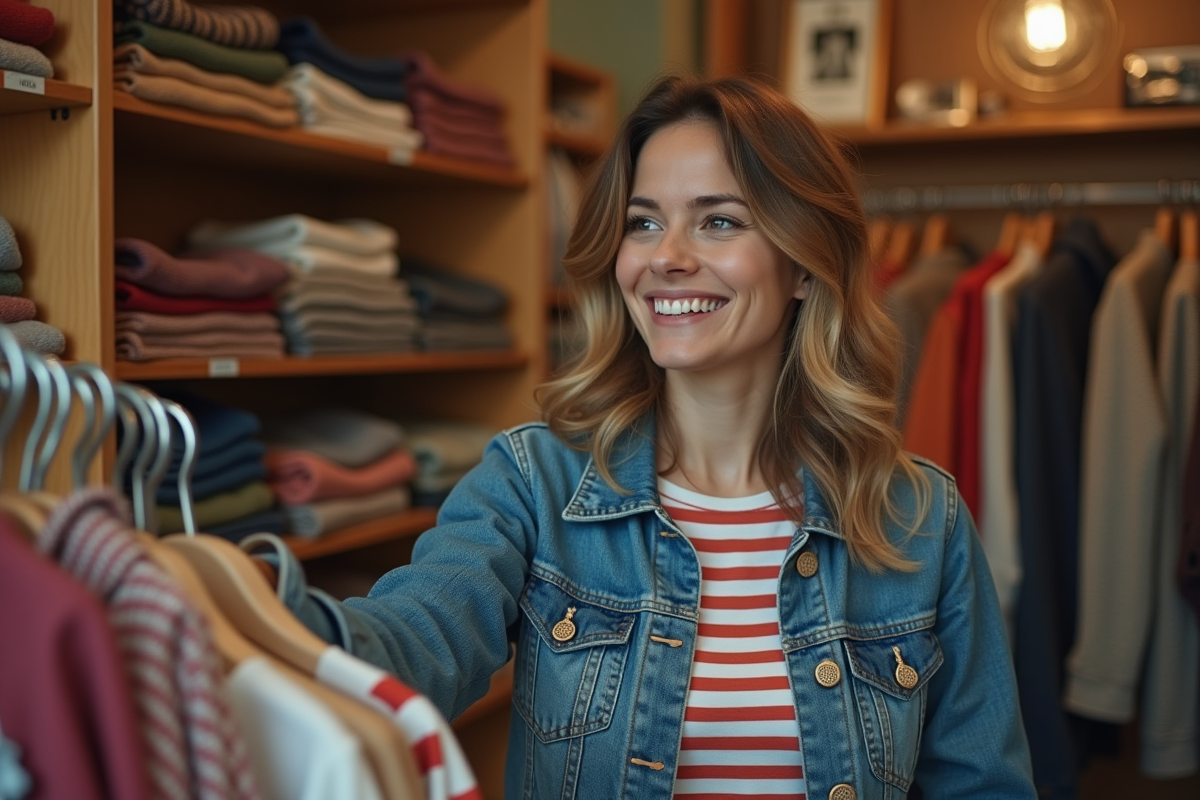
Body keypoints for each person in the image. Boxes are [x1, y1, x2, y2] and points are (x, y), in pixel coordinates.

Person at [257, 75, 1036, 799]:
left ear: (804, 263)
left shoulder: (919, 519)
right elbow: (414, 638)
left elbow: (983, 785)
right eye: (645, 223)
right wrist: (247, 616)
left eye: (719, 220)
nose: (667, 257)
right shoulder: (536, 485)